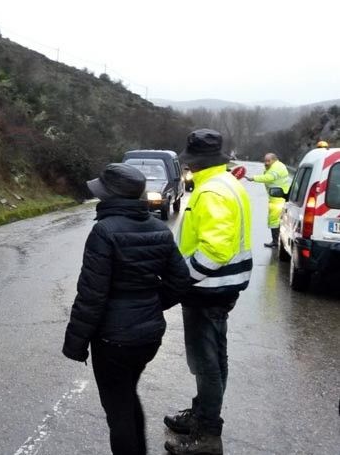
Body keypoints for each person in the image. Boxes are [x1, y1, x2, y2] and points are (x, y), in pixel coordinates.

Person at [62, 163, 190, 455]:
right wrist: (152, 305)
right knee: (127, 396)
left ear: (113, 197)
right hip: (149, 336)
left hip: (114, 341)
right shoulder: (160, 229)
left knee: (118, 411)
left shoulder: (104, 232)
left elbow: (91, 296)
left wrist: (76, 344)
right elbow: (181, 280)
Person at [164, 129, 253, 455]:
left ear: (196, 162)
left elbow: (214, 251)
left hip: (208, 289)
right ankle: (201, 415)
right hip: (221, 288)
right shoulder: (227, 183)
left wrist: (182, 279)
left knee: (207, 363)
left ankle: (207, 436)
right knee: (215, 358)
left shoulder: (212, 191)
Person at [246, 153, 290, 248]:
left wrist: (253, 178)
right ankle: (277, 241)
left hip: (279, 198)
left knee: (274, 221)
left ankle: (276, 242)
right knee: (277, 220)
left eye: (268, 161)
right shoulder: (276, 166)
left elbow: (269, 177)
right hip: (278, 197)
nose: (266, 163)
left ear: (274, 160)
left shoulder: (276, 168)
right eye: (265, 160)